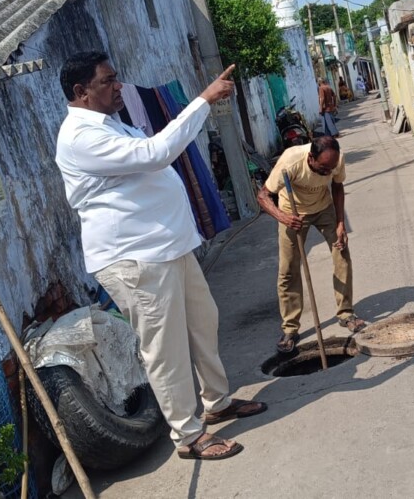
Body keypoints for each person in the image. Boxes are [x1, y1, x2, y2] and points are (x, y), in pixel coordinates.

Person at [55, 51, 266, 461]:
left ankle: (216, 402)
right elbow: (156, 153)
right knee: (164, 348)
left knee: (203, 323)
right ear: (81, 92)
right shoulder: (81, 136)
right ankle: (188, 436)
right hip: (135, 257)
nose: (118, 86)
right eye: (107, 81)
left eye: (116, 78)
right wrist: (203, 100)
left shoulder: (111, 125)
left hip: (166, 247)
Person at [257, 136, 366, 353]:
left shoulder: (336, 159)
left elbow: (337, 186)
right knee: (288, 269)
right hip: (292, 213)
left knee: (342, 254)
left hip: (324, 208)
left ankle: (346, 314)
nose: (327, 172)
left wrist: (341, 223)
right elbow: (263, 196)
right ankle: (290, 328)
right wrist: (282, 217)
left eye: (331, 168)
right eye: (323, 168)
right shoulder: (290, 162)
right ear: (311, 158)